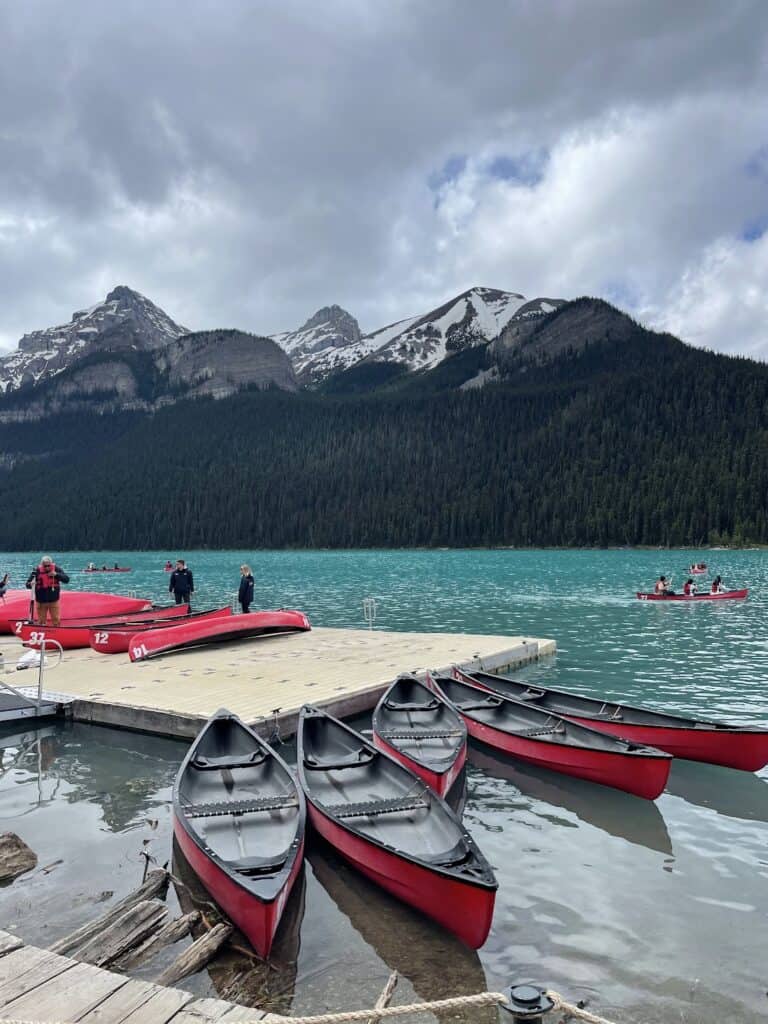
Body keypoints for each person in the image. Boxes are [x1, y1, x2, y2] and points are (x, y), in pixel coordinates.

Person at [25, 556, 70, 626]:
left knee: (56, 620)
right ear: (42, 565)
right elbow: (27, 585)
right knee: (41, 621)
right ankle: (43, 633)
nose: (47, 567)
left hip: (54, 600)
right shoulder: (36, 571)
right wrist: (30, 584)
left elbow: (67, 580)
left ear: (51, 564)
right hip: (41, 601)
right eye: (45, 566)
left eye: (48, 565)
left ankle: (56, 633)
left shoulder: (57, 569)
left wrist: (56, 574)